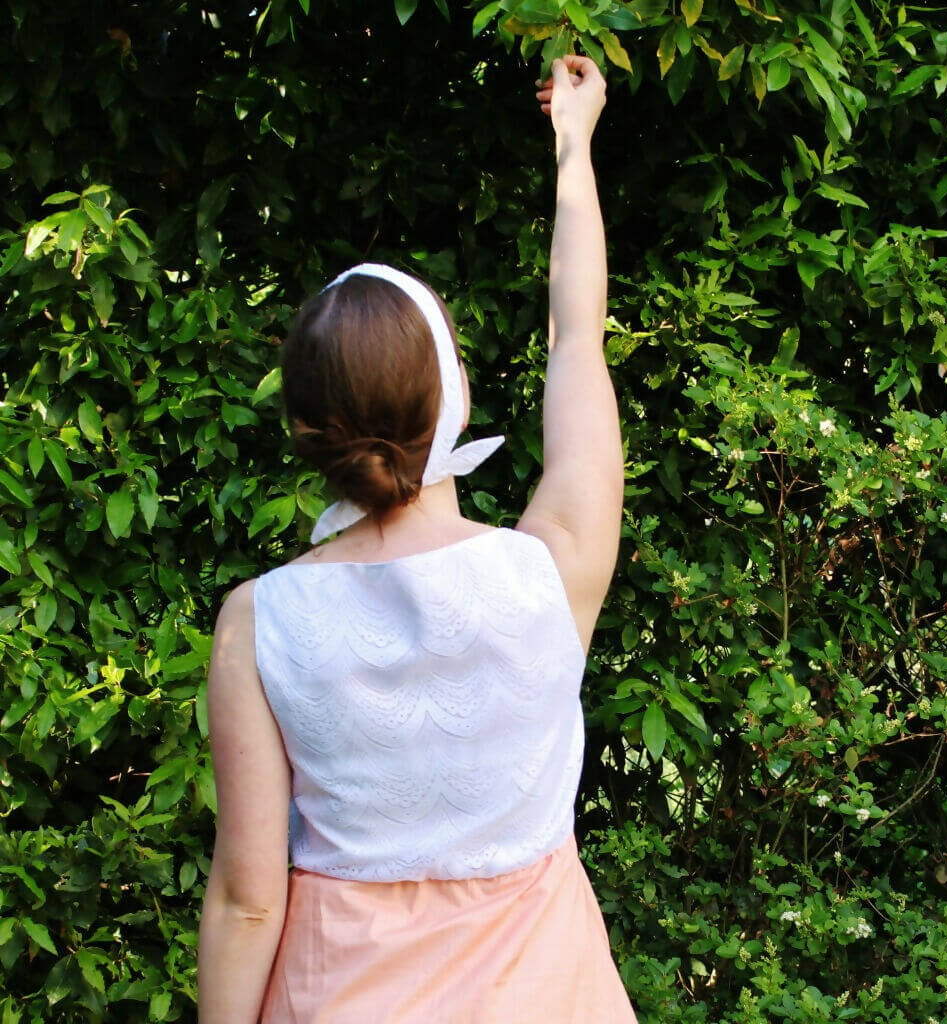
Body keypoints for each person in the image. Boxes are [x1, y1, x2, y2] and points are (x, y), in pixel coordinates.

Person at [196, 54, 633, 1023]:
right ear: (452, 397)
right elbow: (577, 340)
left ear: (308, 433)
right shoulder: (552, 570)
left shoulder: (258, 624)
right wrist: (572, 145)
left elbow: (248, 897)